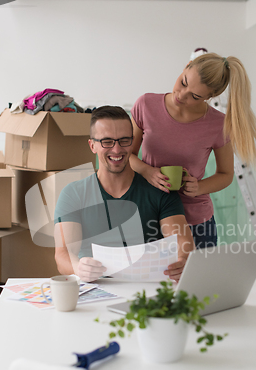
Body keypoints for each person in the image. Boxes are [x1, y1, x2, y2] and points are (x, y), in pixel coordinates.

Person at [129, 52, 256, 248]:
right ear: (186, 66)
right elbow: (127, 155)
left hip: (196, 222)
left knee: (199, 279)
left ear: (210, 96)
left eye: (196, 96)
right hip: (149, 214)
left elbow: (225, 174)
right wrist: (147, 171)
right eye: (183, 82)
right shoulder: (146, 104)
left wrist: (199, 187)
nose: (181, 96)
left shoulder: (219, 124)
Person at [54, 105, 195, 283]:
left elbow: (182, 242)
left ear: (133, 141)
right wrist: (78, 268)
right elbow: (63, 255)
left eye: (124, 140)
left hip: (148, 291)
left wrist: (183, 260)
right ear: (92, 146)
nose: (116, 149)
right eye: (107, 141)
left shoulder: (160, 191)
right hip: (95, 289)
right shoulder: (73, 194)